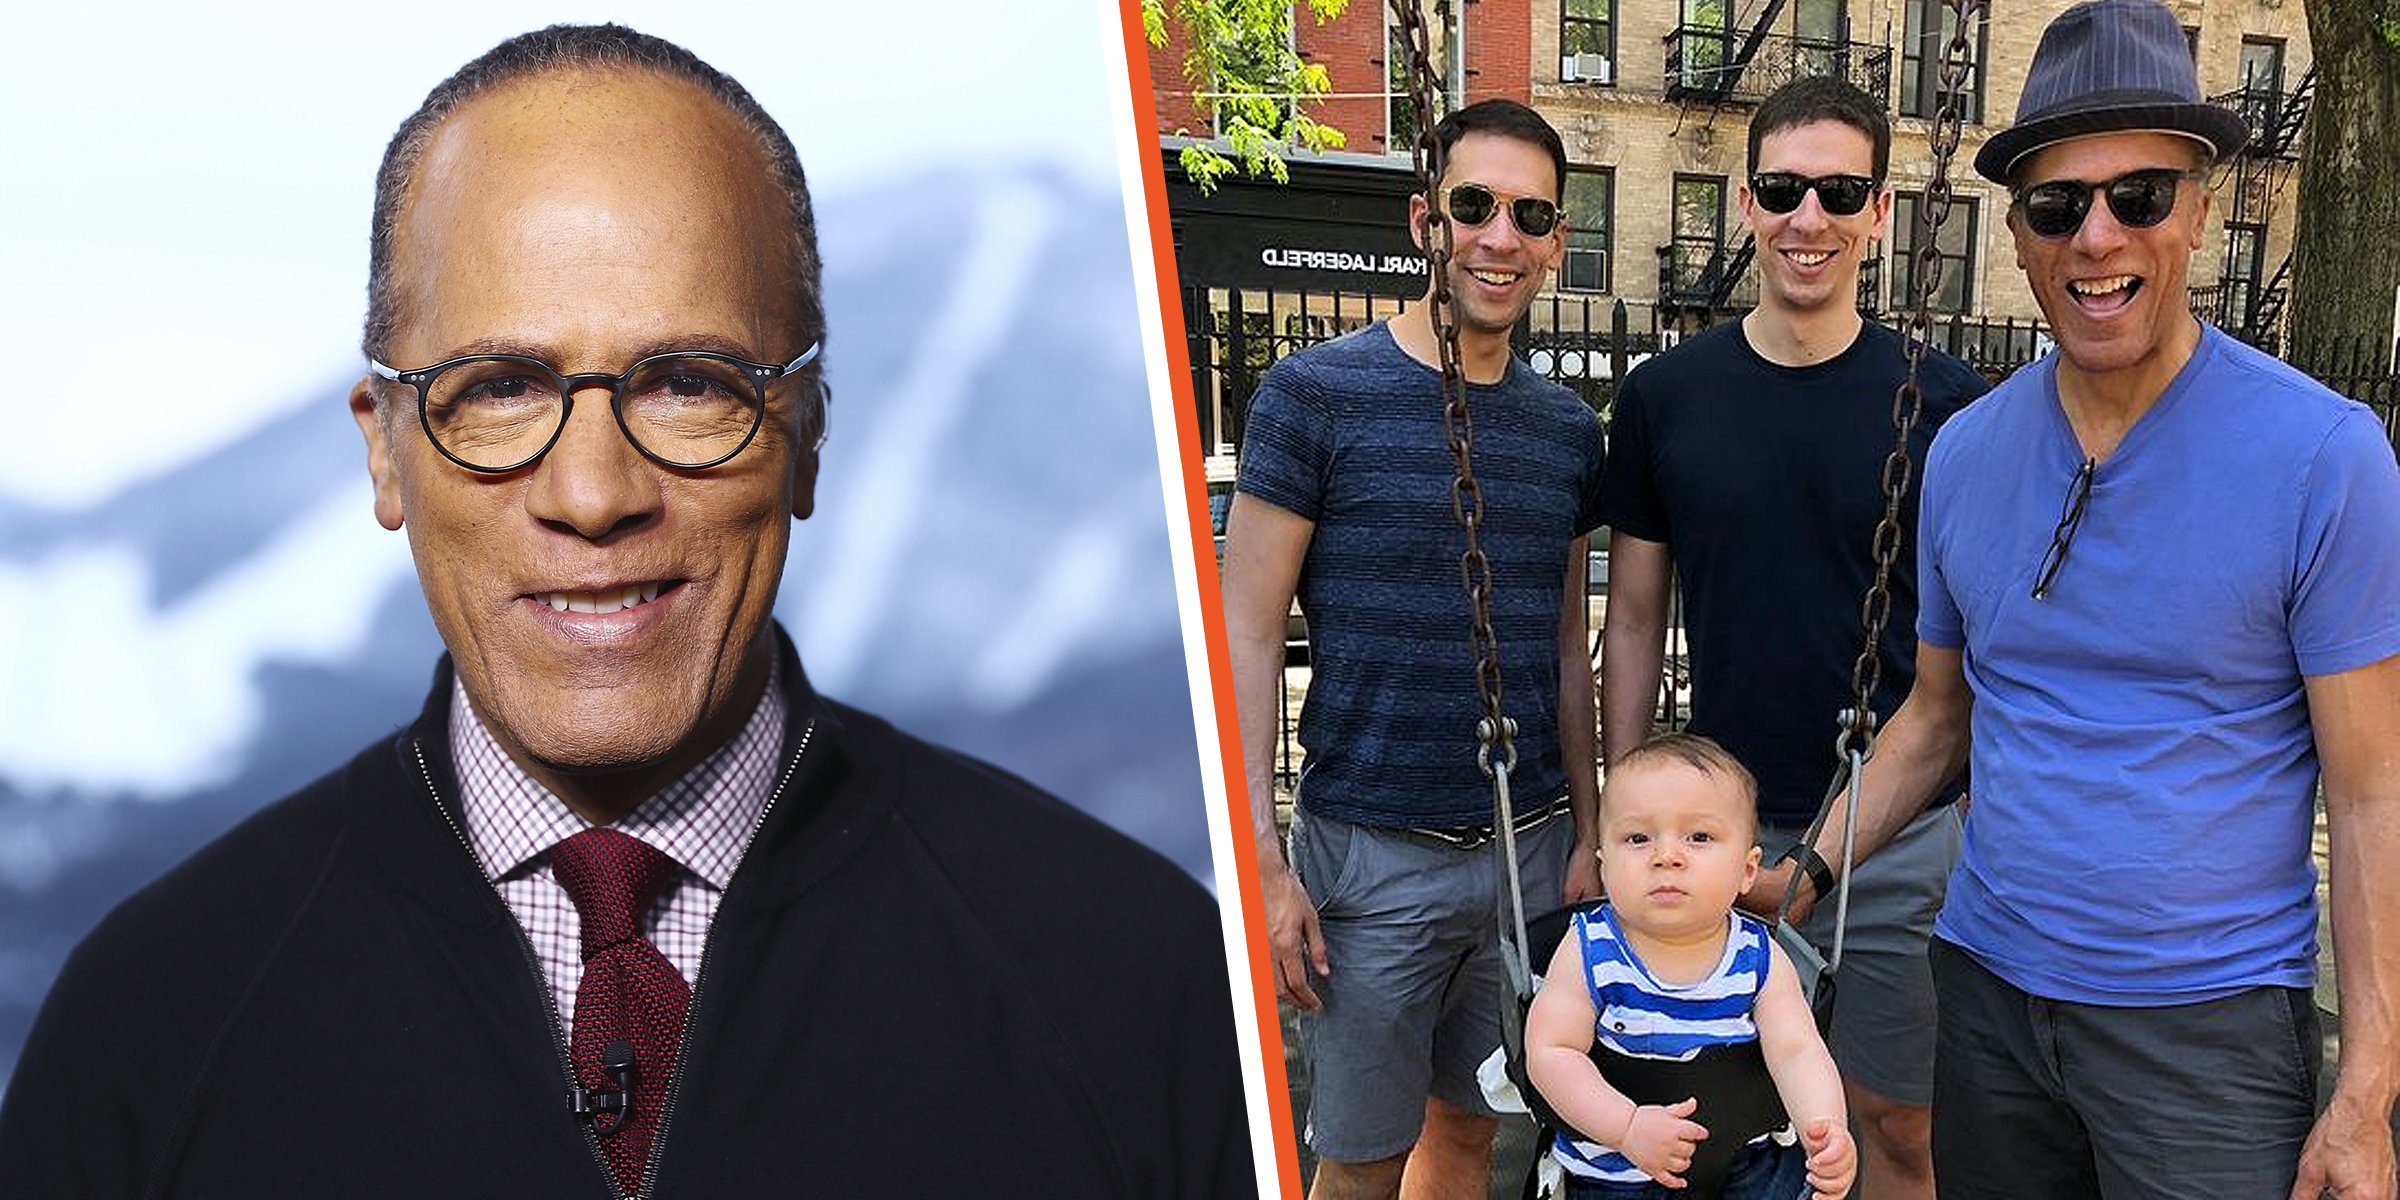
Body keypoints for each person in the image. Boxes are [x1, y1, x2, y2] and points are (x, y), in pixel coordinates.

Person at [0, 24, 1250, 1198]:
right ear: (385, 455)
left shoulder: (1137, 986)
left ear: (809, 432)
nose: (592, 495)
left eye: (689, 384)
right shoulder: (149, 1031)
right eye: (494, 389)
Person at [1764, 2, 2400, 1197]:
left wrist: (2366, 1093)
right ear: (2018, 235)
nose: (2097, 236)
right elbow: (1936, 717)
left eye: (2141, 196)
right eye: (2059, 206)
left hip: (2204, 1029)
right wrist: (1806, 868)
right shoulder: (1964, 450)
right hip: (1989, 997)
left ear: (2203, 208)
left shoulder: (2325, 456)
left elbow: (2375, 793)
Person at [1596, 76, 1986, 1200]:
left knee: (1893, 1125)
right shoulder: (1669, 395)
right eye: (1783, 188)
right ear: (1746, 201)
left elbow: (1982, 646)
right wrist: (1621, 809)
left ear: (1878, 212)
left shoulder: (1949, 404)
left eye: (1839, 191)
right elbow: (1629, 617)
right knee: (1709, 1126)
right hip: (1715, 824)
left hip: (1896, 828)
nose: (1808, 216)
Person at [1220, 99, 1606, 1197]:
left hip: (1526, 849)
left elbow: (1564, 643)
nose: (1500, 236)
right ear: (1423, 219)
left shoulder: (1569, 432)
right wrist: (1261, 858)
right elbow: (1247, 629)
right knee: (1359, 1161)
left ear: (1557, 242)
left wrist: (1586, 824)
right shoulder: (1313, 397)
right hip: (1372, 854)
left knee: (1478, 1131)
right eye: (1474, 205)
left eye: (1530, 214)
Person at [1527, 733, 1855, 1200]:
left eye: (1699, 837)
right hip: (1615, 1175)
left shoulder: (1759, 955)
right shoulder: (1588, 949)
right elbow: (1551, 1052)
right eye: (1638, 838)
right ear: (1604, 865)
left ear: (1747, 870)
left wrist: (1825, 1129)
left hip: (1743, 1167)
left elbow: (1799, 1052)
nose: (1667, 856)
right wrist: (1626, 1127)